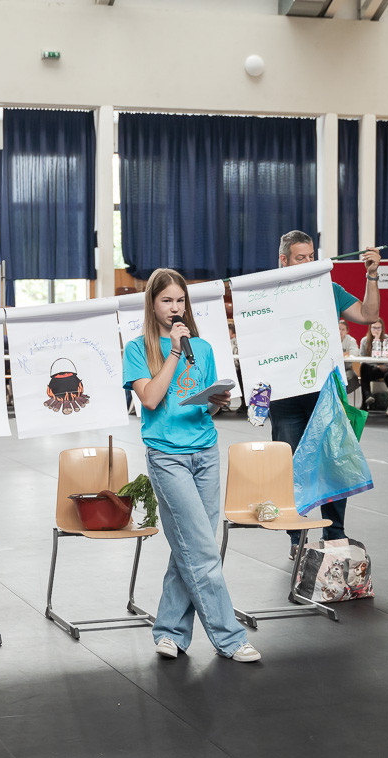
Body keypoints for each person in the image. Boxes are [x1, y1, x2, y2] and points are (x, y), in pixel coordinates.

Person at [123, 268, 261, 663]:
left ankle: (170, 630)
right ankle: (230, 638)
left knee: (190, 546)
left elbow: (205, 406)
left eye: (180, 300)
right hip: (167, 457)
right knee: (202, 550)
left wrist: (218, 402)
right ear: (152, 304)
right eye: (166, 300)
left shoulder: (203, 348)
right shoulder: (138, 349)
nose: (175, 307)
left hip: (206, 453)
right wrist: (173, 352)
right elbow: (150, 399)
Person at [271, 230, 381, 559]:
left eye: (311, 256)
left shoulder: (329, 289)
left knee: (334, 458)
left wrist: (372, 275)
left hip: (325, 390)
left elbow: (369, 315)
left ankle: (335, 534)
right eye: (300, 257)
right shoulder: (266, 292)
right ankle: (296, 538)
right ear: (284, 260)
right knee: (290, 465)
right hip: (285, 394)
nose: (308, 262)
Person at [358, 318, 388, 410]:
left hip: (385, 369)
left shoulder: (387, 339)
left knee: (365, 372)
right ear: (370, 328)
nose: (376, 330)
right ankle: (368, 396)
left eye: (378, 328)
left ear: (382, 328)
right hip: (371, 369)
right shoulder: (365, 340)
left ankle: (365, 403)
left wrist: (378, 341)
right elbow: (362, 359)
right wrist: (376, 365)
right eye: (374, 328)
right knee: (364, 367)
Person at [339, 318, 359, 393]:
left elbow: (355, 353)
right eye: (339, 329)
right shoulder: (331, 340)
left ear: (347, 331)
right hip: (332, 370)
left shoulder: (351, 340)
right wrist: (346, 353)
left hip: (347, 369)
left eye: (343, 329)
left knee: (353, 378)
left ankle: (340, 396)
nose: (340, 331)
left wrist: (345, 354)